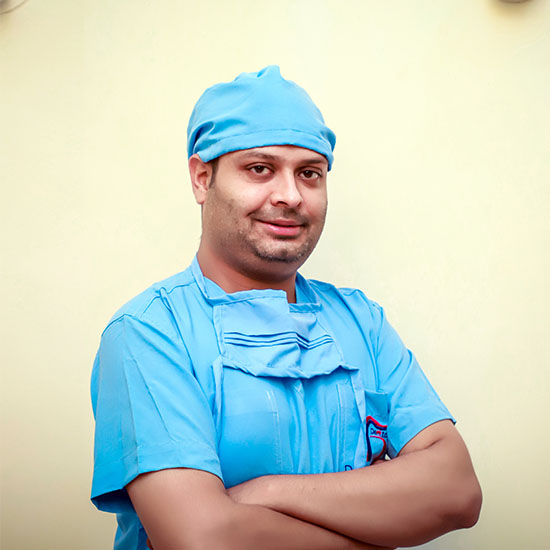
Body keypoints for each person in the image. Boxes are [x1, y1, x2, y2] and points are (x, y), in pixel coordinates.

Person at [91, 66, 482, 550]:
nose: (291, 196)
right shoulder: (148, 334)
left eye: (309, 174)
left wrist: (263, 494)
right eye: (260, 169)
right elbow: (204, 539)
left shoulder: (361, 321)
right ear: (202, 178)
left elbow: (458, 492)